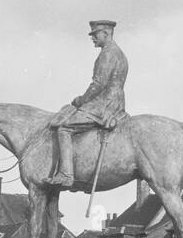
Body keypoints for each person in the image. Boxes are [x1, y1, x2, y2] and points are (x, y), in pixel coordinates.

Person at [49, 19, 128, 187]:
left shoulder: (107, 53)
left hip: (104, 104)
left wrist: (81, 100)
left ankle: (66, 174)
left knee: (64, 128)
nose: (92, 38)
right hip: (117, 102)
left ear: (106, 34)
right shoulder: (118, 52)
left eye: (95, 35)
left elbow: (98, 85)